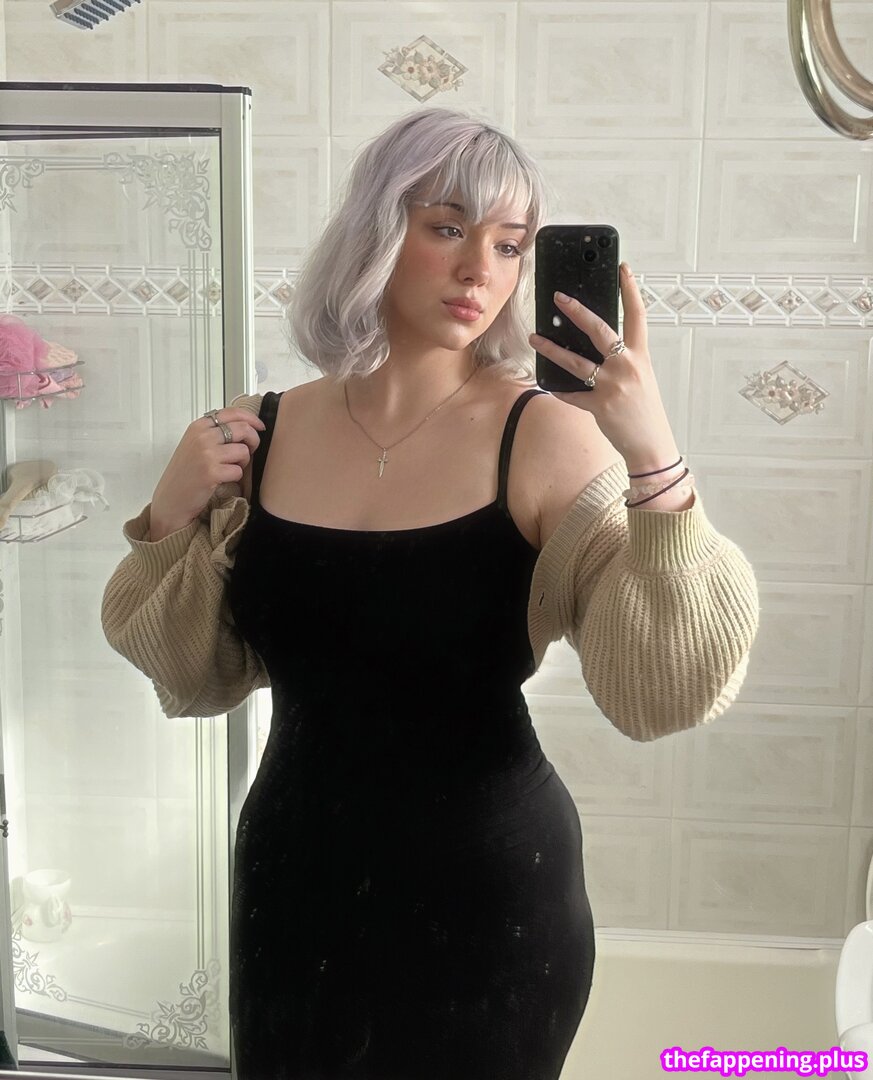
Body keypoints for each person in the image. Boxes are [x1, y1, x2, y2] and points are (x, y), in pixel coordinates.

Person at [101, 107, 760, 1080]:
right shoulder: (259, 429)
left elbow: (661, 692)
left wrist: (653, 456)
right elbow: (189, 674)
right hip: (292, 884)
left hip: (491, 900)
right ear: (376, 230)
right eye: (447, 227)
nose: (479, 271)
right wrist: (170, 513)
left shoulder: (544, 437)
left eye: (509, 244)